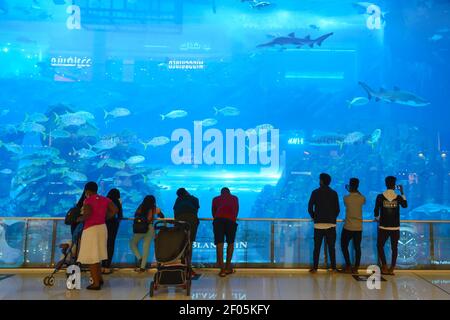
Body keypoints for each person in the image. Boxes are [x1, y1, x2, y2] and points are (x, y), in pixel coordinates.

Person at [76, 182, 118, 290]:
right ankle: (99, 279)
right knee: (98, 255)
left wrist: (78, 219)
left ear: (87, 191)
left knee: (92, 257)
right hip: (102, 228)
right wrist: (104, 218)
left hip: (91, 229)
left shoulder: (88, 200)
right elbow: (115, 210)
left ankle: (95, 283)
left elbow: (88, 214)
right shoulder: (105, 199)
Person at [374, 176, 407, 275]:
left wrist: (377, 218)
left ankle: (384, 266)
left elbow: (376, 210)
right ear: (394, 185)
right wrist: (402, 192)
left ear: (385, 184)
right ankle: (392, 268)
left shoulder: (380, 196)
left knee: (380, 246)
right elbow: (405, 205)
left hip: (383, 226)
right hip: (395, 227)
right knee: (394, 247)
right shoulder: (398, 197)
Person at [308, 173, 340, 273]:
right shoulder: (334, 193)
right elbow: (337, 209)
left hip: (318, 225)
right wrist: (332, 218)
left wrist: (315, 217)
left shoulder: (315, 192)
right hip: (331, 225)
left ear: (321, 181)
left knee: (317, 248)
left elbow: (309, 208)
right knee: (331, 248)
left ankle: (315, 268)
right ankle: (333, 268)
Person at [130, 195, 164, 273]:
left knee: (132, 243)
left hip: (140, 228)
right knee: (146, 247)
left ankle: (139, 258)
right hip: (150, 228)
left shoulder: (141, 206)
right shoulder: (154, 208)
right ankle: (142, 267)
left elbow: (136, 215)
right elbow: (162, 216)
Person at [340, 178, 366, 274]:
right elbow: (363, 199)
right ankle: (356, 268)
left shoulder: (346, 198)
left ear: (349, 186)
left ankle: (348, 265)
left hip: (348, 227)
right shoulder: (361, 198)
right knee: (357, 247)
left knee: (344, 245)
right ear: (358, 186)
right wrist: (355, 190)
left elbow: (347, 203)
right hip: (358, 227)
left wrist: (350, 190)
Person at [212, 187, 239, 277]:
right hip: (231, 221)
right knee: (230, 243)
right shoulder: (235, 198)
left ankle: (222, 270)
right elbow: (236, 211)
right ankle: (228, 267)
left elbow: (214, 213)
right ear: (229, 192)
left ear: (221, 193)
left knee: (220, 243)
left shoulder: (215, 199)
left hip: (218, 221)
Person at [173, 188, 200, 276]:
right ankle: (188, 267)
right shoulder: (194, 198)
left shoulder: (178, 200)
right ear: (187, 192)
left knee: (181, 243)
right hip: (191, 221)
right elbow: (196, 210)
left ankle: (182, 266)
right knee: (189, 243)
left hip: (179, 221)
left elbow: (175, 212)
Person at [102, 188, 123, 275]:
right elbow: (120, 215)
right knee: (110, 245)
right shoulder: (117, 202)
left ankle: (102, 266)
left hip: (104, 224)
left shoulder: (105, 200)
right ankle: (107, 266)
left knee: (103, 244)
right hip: (114, 225)